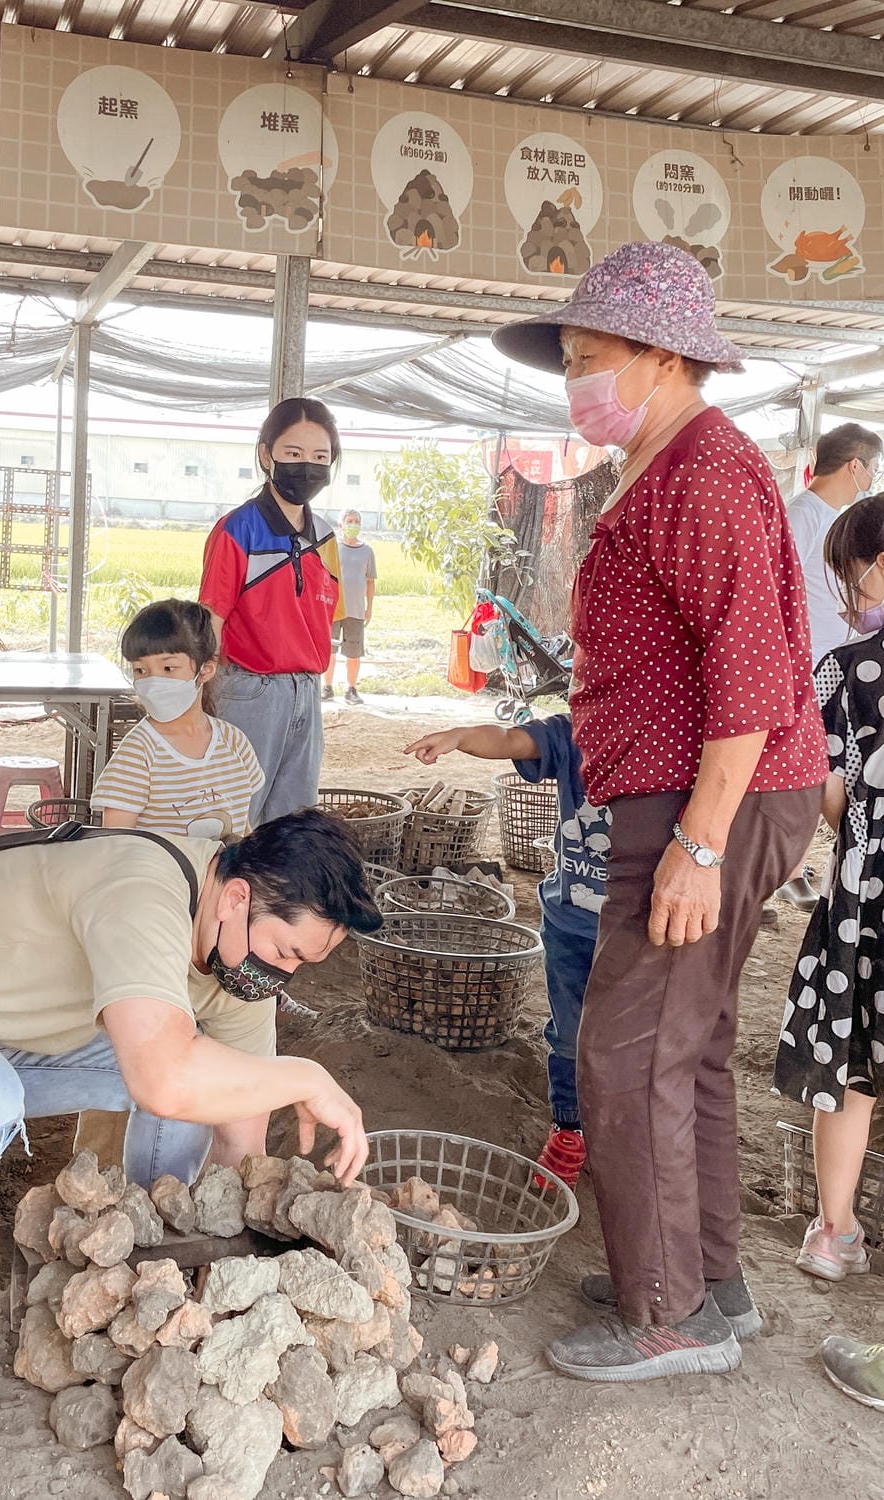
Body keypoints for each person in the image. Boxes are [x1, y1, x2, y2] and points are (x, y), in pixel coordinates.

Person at [492, 241, 827, 1382]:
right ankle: (707, 1278)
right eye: (570, 360)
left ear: (666, 357)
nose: (576, 380)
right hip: (697, 791)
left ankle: (669, 1314)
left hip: (710, 798)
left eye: (590, 357)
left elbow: (751, 679)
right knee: (686, 1047)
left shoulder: (705, 470)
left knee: (624, 1050)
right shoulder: (665, 460)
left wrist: (698, 843)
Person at [0, 809, 381, 1316]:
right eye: (283, 952)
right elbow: (164, 1080)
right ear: (236, 898)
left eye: (300, 964)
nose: (282, 975)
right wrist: (305, 1077)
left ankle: (157, 1224)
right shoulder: (143, 890)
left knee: (212, 1073)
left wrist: (226, 1244)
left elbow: (238, 1119)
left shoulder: (236, 954)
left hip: (3, 1040)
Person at [404, 713, 608, 1190]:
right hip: (571, 922)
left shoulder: (675, 741)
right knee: (569, 1035)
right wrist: (459, 735)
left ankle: (626, 1134)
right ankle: (569, 1130)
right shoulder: (575, 730)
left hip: (643, 930)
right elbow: (511, 739)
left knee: (636, 1041)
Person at [774, 496, 884, 1286]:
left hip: (864, 899)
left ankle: (834, 1232)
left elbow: (832, 797)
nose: (851, 595)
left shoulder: (843, 672)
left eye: (854, 576)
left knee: (849, 1070)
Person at [200, 398, 343, 824]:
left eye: (320, 457)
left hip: (306, 690)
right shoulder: (237, 529)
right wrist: (199, 688)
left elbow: (325, 619)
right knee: (233, 816)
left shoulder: (325, 538)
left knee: (294, 821)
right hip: (249, 690)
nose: (307, 467)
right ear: (266, 455)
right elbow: (211, 617)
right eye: (293, 454)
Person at [775, 424, 884, 913]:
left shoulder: (837, 519)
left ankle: (792, 867)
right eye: (873, 468)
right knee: (813, 768)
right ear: (855, 465)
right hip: (808, 667)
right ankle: (786, 869)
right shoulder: (801, 516)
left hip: (841, 664)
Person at [92, 598, 263, 841]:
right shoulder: (137, 754)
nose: (153, 681)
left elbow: (242, 828)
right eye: (141, 670)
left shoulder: (235, 742)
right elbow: (115, 845)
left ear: (206, 669)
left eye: (168, 669)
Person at [323, 509, 376, 707]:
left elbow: (370, 582)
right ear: (341, 525)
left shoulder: (367, 551)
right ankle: (327, 687)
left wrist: (369, 607)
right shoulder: (334, 549)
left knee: (354, 652)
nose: (353, 524)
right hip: (334, 609)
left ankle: (351, 689)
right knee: (329, 650)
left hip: (356, 610)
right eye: (350, 521)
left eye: (357, 521)